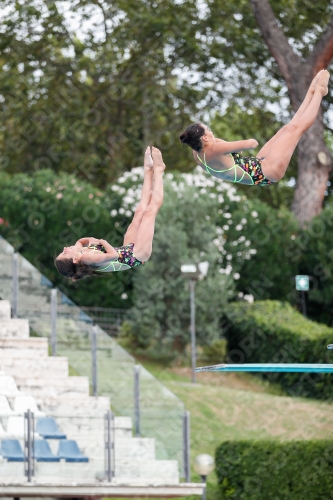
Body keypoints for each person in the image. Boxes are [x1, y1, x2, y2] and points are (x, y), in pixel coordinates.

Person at [179, 70, 330, 186]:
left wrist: (224, 146)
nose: (211, 132)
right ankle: (319, 93)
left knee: (286, 130)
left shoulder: (197, 154)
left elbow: (222, 148)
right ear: (204, 137)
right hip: (268, 170)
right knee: (295, 130)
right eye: (209, 130)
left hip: (259, 167)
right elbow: (251, 144)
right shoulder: (215, 150)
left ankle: (310, 93)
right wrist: (235, 146)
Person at [55, 146, 165, 281]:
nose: (65, 248)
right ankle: (159, 170)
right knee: (150, 211)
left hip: (128, 249)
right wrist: (102, 242)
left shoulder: (80, 251)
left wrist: (90, 240)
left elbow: (80, 241)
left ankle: (148, 170)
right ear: (75, 260)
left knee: (139, 212)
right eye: (64, 253)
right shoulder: (88, 258)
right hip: (137, 255)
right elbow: (113, 255)